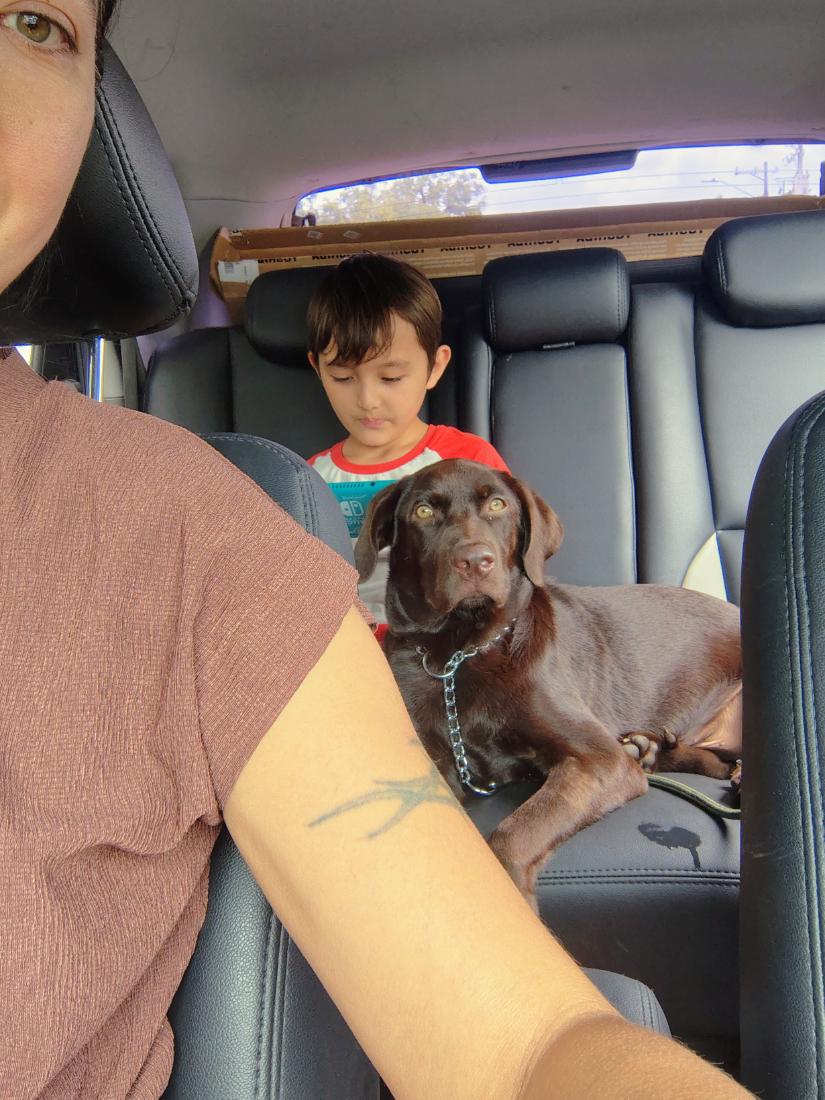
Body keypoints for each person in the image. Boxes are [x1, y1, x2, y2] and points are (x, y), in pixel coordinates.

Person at [0, 3, 752, 1098]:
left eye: (33, 22)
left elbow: (521, 1045)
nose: (368, 398)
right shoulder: (296, 497)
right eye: (345, 375)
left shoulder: (208, 538)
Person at [307, 252, 508, 624]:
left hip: (448, 641)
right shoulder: (308, 481)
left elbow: (504, 557)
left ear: (435, 367)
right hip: (349, 646)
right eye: (343, 378)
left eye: (391, 378)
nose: (367, 400)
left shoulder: (468, 460)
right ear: (317, 370)